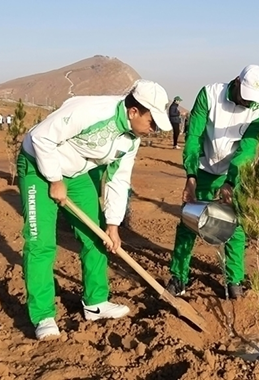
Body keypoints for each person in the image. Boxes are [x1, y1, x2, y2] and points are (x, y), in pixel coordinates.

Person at [17, 79, 172, 340]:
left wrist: (112, 225)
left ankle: (95, 302)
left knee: (97, 236)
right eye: (151, 121)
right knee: (40, 242)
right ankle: (43, 315)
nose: (153, 128)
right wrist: (54, 180)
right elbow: (40, 136)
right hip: (37, 163)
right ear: (134, 111)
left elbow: (117, 180)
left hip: (76, 174)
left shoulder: (132, 140)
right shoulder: (91, 112)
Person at [167, 65, 259, 299]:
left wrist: (231, 183)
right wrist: (191, 176)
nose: (247, 103)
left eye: (252, 100)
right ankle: (179, 277)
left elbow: (246, 151)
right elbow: (194, 136)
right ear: (236, 82)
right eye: (245, 97)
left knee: (235, 227)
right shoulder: (210, 94)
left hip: (231, 174)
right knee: (188, 223)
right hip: (203, 169)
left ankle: (234, 281)